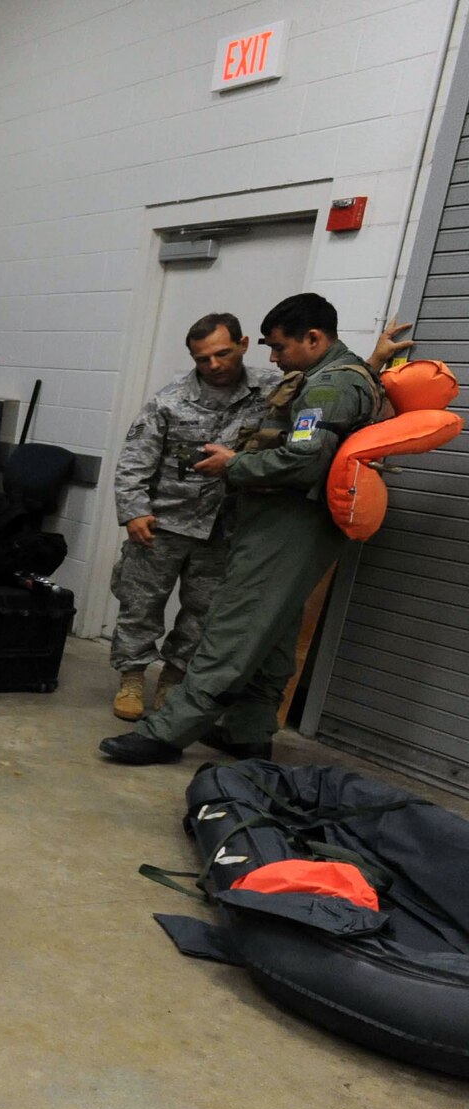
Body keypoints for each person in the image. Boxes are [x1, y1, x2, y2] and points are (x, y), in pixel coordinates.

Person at [101, 294, 385, 765]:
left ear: (313, 339)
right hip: (206, 523)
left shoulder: (321, 386)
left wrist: (236, 464)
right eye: (202, 358)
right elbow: (135, 461)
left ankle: (166, 733)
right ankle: (250, 732)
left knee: (225, 634)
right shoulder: (329, 378)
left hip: (278, 529)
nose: (273, 357)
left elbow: (302, 459)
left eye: (278, 346)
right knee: (272, 636)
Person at [108, 313, 283, 720]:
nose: (214, 365)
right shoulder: (168, 400)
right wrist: (134, 511)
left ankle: (174, 678)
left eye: (223, 354)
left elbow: (327, 387)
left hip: (226, 527)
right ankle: (132, 677)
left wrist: (378, 360)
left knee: (205, 612)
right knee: (140, 603)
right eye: (203, 359)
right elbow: (134, 461)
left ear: (242, 344)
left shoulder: (274, 390)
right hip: (163, 523)